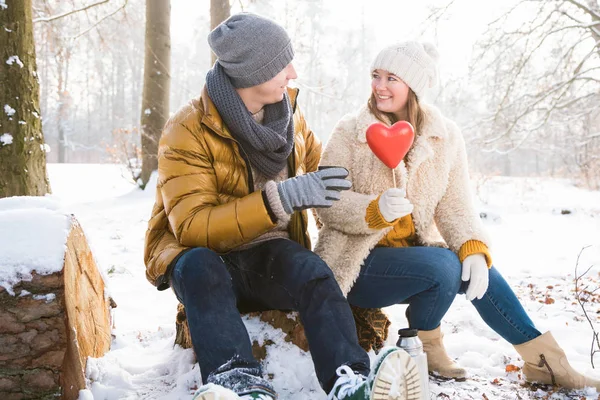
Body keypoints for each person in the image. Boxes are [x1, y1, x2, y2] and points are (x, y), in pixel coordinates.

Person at [143, 13, 419, 400]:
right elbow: (191, 226)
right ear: (251, 72)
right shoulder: (187, 129)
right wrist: (282, 199)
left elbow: (328, 178)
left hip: (267, 254)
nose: (292, 73)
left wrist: (379, 193)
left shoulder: (289, 113)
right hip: (201, 257)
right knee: (202, 267)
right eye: (281, 65)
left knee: (312, 271)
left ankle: (350, 382)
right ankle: (237, 384)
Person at [314, 40, 600, 391]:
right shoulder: (350, 131)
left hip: (416, 260)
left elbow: (456, 207)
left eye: (392, 78)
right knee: (444, 265)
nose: (379, 86)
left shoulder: (444, 137)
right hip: (356, 263)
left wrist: (474, 249)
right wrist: (373, 211)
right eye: (376, 75)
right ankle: (422, 340)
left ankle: (545, 363)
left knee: (470, 265)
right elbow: (325, 203)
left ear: (414, 87)